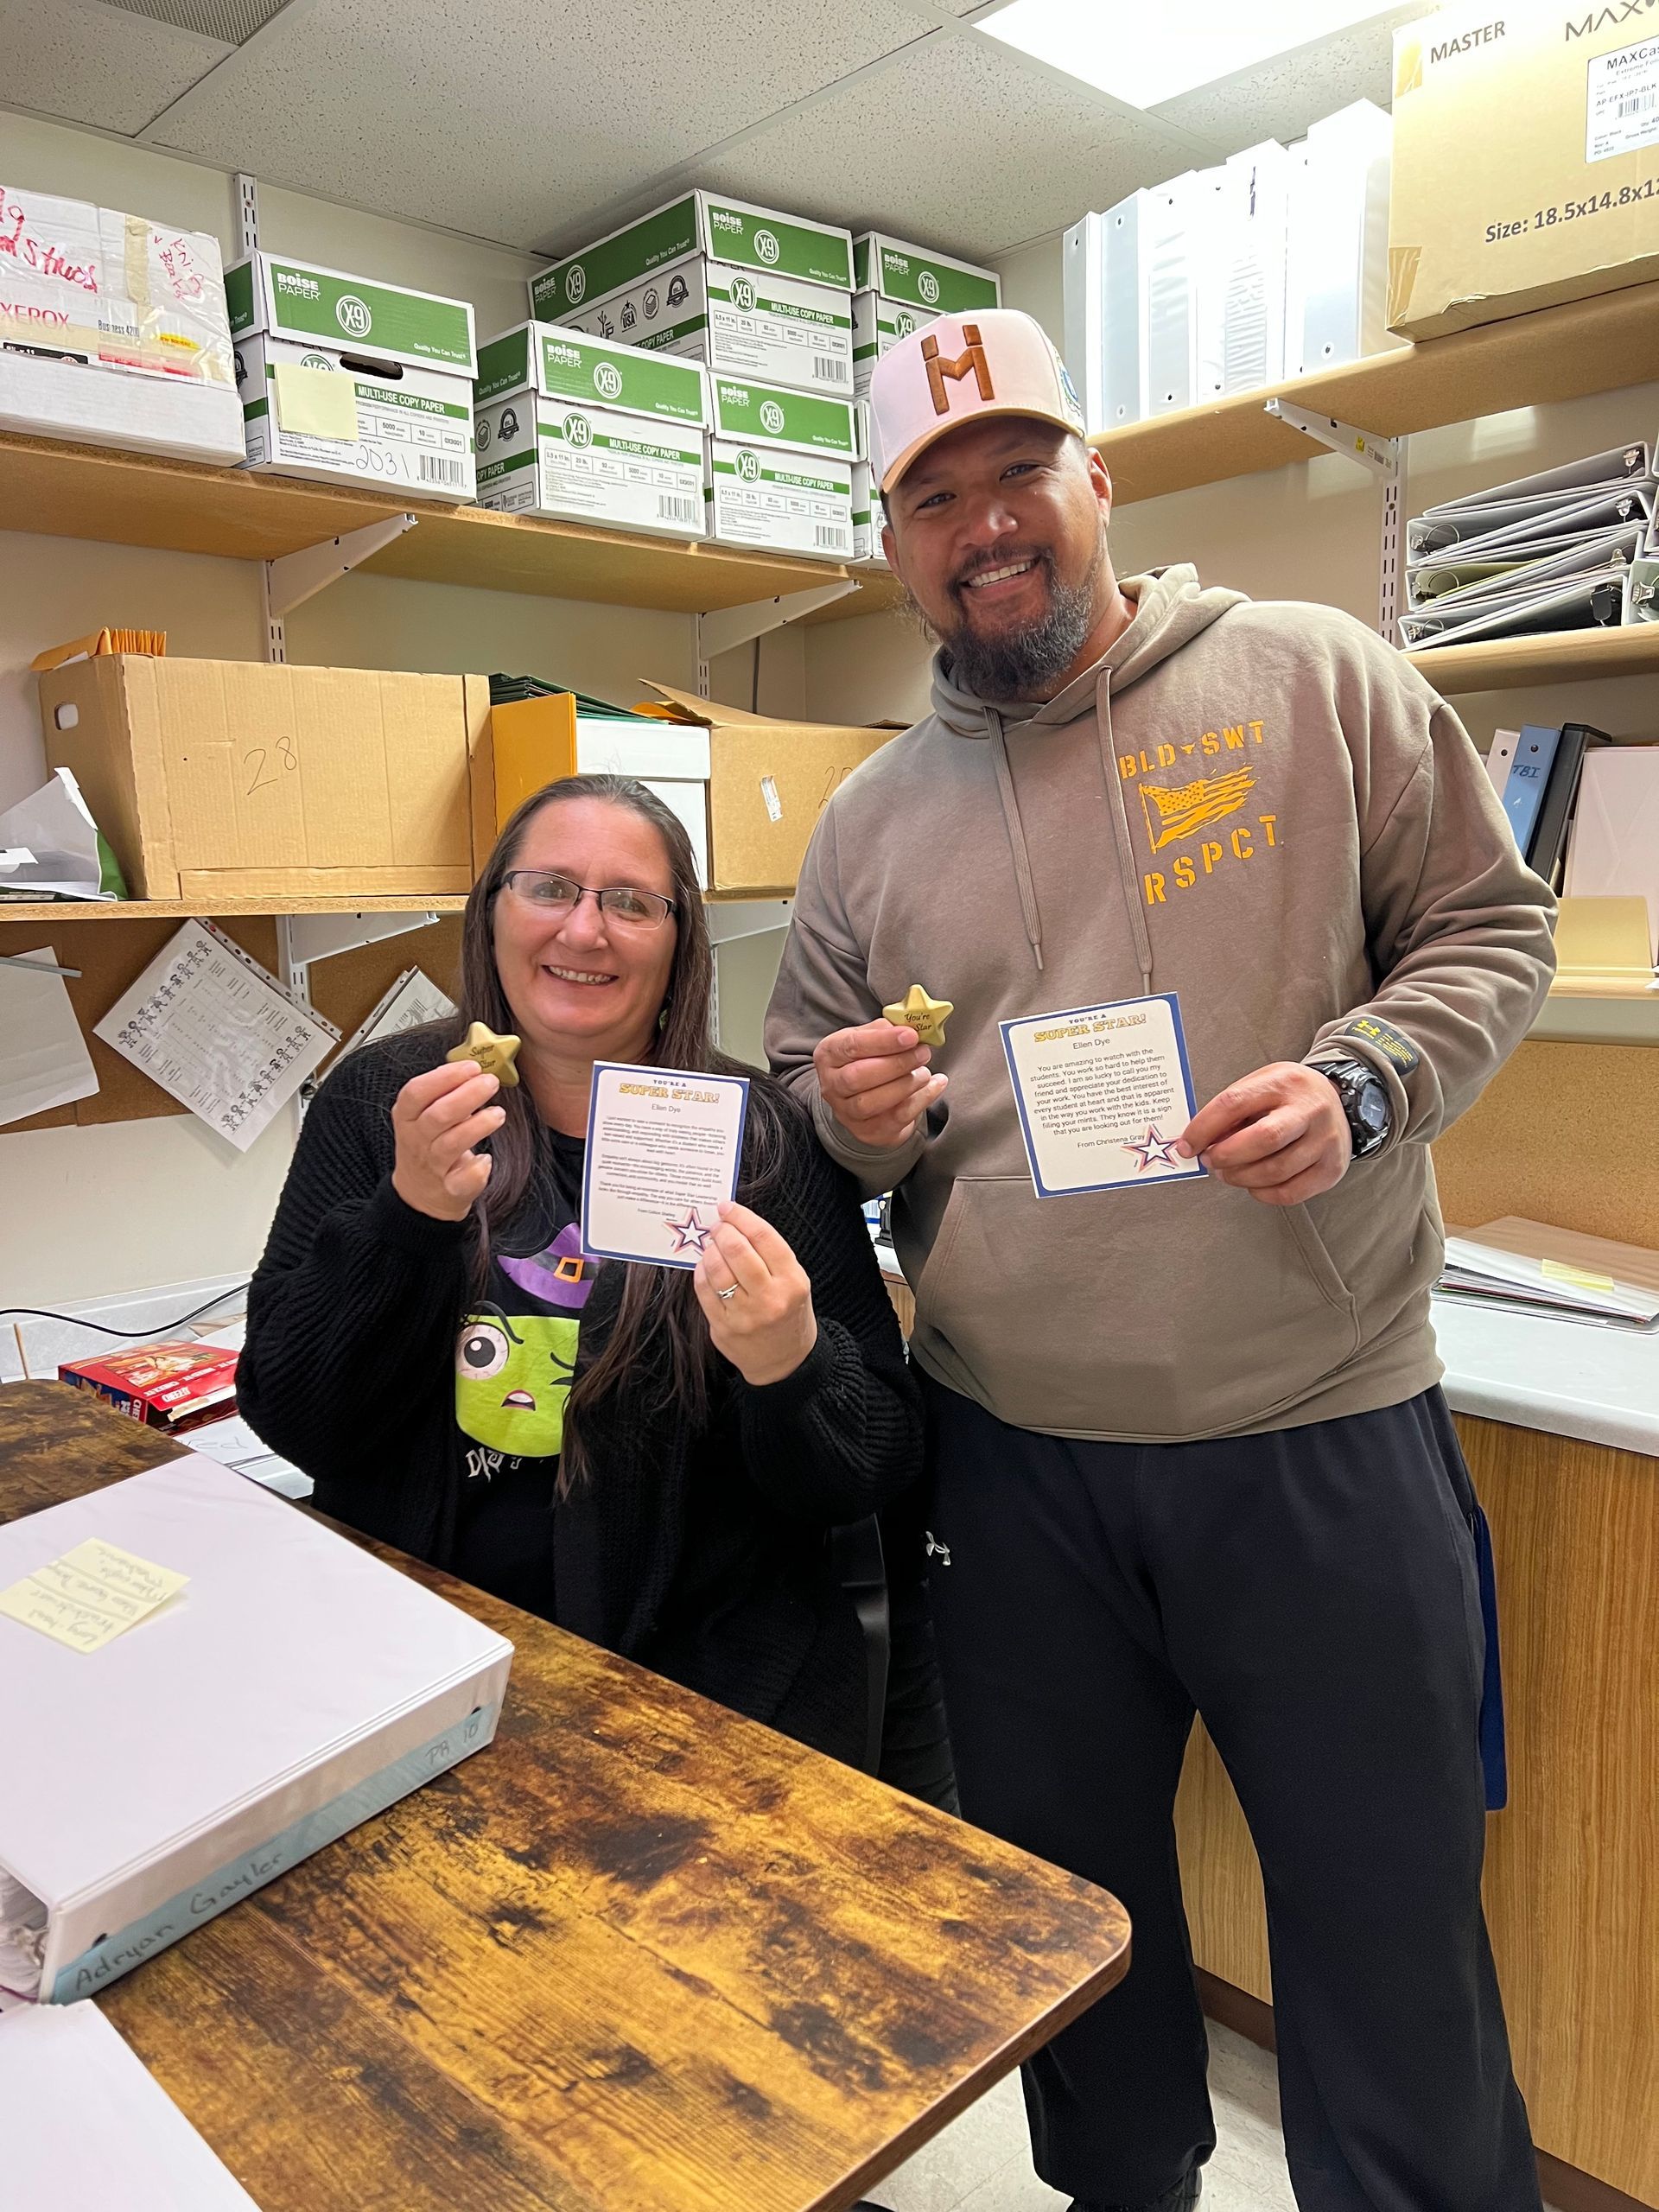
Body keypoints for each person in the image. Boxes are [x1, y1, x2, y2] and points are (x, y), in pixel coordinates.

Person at [766, 309, 1557, 2212]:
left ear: (1097, 483)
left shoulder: (1313, 679)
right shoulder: (872, 821)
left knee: (1388, 1943)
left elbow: (1489, 927)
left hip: (1318, 1434)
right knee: (1083, 1941)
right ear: (896, 548)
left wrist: (1367, 1083)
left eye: (1019, 471)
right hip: (1014, 1469)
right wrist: (857, 1113)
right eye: (933, 498)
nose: (987, 524)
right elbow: (808, 1090)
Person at [240, 773, 953, 1816]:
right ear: (491, 915)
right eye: (550, 887)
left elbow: (874, 1464)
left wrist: (791, 1366)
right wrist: (406, 1217)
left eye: (630, 902)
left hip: (705, 1713)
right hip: (421, 1683)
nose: (586, 929)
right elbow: (297, 1414)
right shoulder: (380, 1101)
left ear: (678, 947)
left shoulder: (761, 1135)